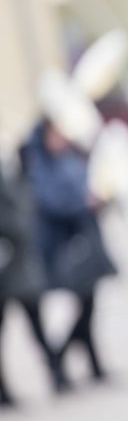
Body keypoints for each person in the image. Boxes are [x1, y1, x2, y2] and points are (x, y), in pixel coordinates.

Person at [20, 120, 116, 383]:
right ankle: (60, 361)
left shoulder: (69, 156)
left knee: (87, 303)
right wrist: (84, 202)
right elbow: (50, 200)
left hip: (81, 245)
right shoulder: (38, 163)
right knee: (81, 305)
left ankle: (84, 365)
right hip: (59, 248)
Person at [0, 159, 68, 406]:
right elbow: (16, 218)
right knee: (30, 329)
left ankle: (58, 375)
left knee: (38, 327)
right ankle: (6, 391)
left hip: (19, 267)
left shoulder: (15, 169)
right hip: (9, 268)